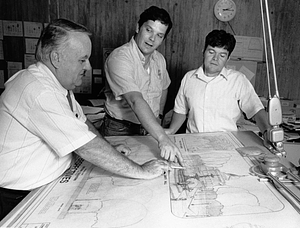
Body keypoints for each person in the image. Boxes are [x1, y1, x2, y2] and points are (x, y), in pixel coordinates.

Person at [0, 19, 171, 220]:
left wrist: (108, 147)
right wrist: (141, 171)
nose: (88, 67)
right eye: (82, 60)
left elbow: (81, 123)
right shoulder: (40, 91)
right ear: (56, 58)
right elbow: (86, 147)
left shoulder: (57, 85)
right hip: (19, 197)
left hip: (47, 186)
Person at [100, 6, 183, 165]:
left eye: (159, 35)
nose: (152, 39)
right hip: (119, 129)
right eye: (148, 30)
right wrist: (162, 137)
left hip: (149, 128)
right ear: (138, 27)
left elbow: (164, 87)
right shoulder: (120, 58)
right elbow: (135, 100)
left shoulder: (159, 60)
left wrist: (157, 117)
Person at [165, 30, 271, 138]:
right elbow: (180, 110)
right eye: (211, 52)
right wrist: (171, 131)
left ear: (228, 58)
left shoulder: (238, 80)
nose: (215, 59)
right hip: (194, 143)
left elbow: (256, 110)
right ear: (203, 51)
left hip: (226, 146)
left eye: (222, 55)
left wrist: (267, 132)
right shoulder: (189, 78)